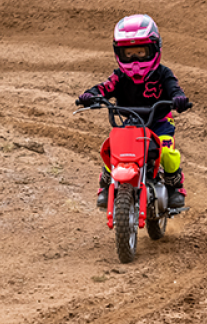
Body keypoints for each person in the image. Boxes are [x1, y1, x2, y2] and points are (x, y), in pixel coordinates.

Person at [76, 14, 191, 211]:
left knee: (167, 153)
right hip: (131, 123)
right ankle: (106, 185)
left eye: (140, 52)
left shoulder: (163, 74)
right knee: (112, 149)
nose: (135, 59)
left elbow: (174, 89)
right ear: (118, 53)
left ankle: (175, 187)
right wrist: (91, 95)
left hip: (160, 121)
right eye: (128, 54)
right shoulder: (119, 76)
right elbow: (104, 87)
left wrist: (179, 98)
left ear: (154, 49)